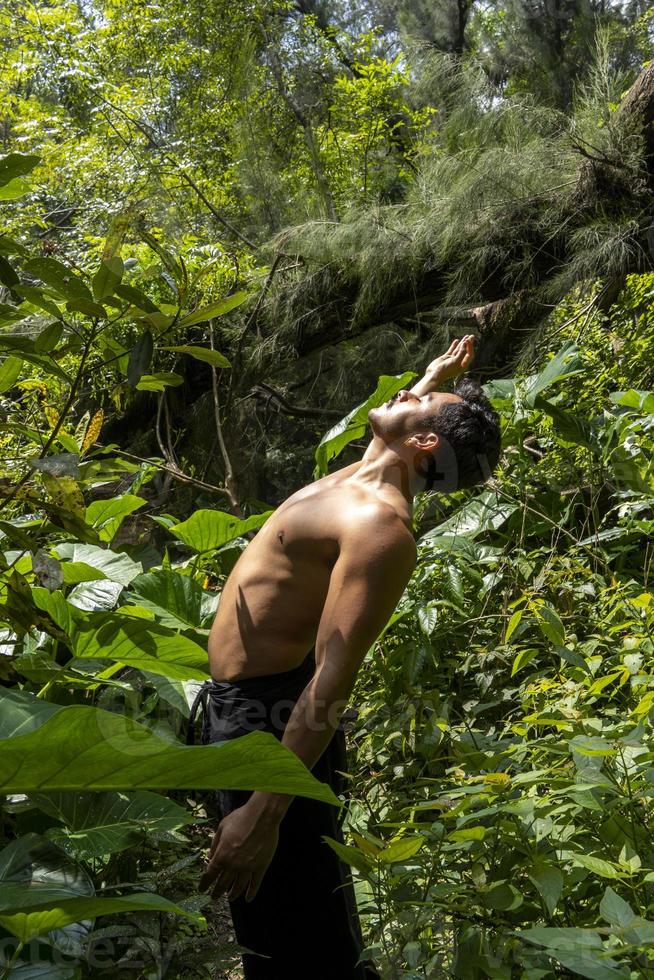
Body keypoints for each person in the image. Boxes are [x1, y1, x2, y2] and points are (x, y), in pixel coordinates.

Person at [194, 335, 501, 978]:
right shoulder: (362, 476)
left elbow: (332, 680)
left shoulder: (380, 527)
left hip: (276, 723)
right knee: (265, 926)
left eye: (418, 400)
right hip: (238, 712)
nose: (405, 393)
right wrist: (436, 378)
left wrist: (266, 805)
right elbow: (402, 433)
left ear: (423, 444)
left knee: (299, 938)